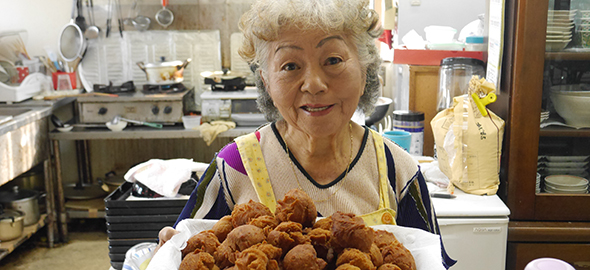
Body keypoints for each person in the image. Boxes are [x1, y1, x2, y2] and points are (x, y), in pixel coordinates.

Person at [158, 0, 455, 268]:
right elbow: (186, 247)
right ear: (267, 81)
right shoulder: (233, 167)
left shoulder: (397, 169)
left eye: (333, 60)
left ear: (365, 71)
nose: (313, 84)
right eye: (290, 65)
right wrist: (167, 247)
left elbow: (428, 258)